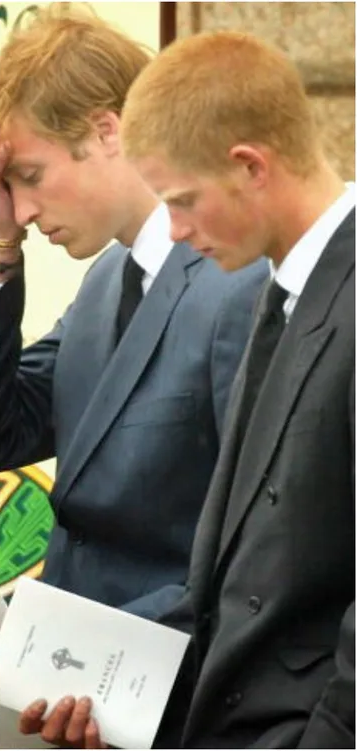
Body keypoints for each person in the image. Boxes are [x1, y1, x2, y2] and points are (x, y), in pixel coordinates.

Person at [23, 29, 355, 749]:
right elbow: (229, 564)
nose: (172, 229)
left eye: (182, 200)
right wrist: (109, 689)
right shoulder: (284, 293)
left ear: (249, 166)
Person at [0, 11, 265, 625]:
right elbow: (6, 430)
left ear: (107, 131)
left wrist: (115, 662)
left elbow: (252, 543)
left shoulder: (241, 281)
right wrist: (2, 252)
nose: (26, 209)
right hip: (67, 677)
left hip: (168, 682)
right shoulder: (102, 284)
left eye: (30, 177)